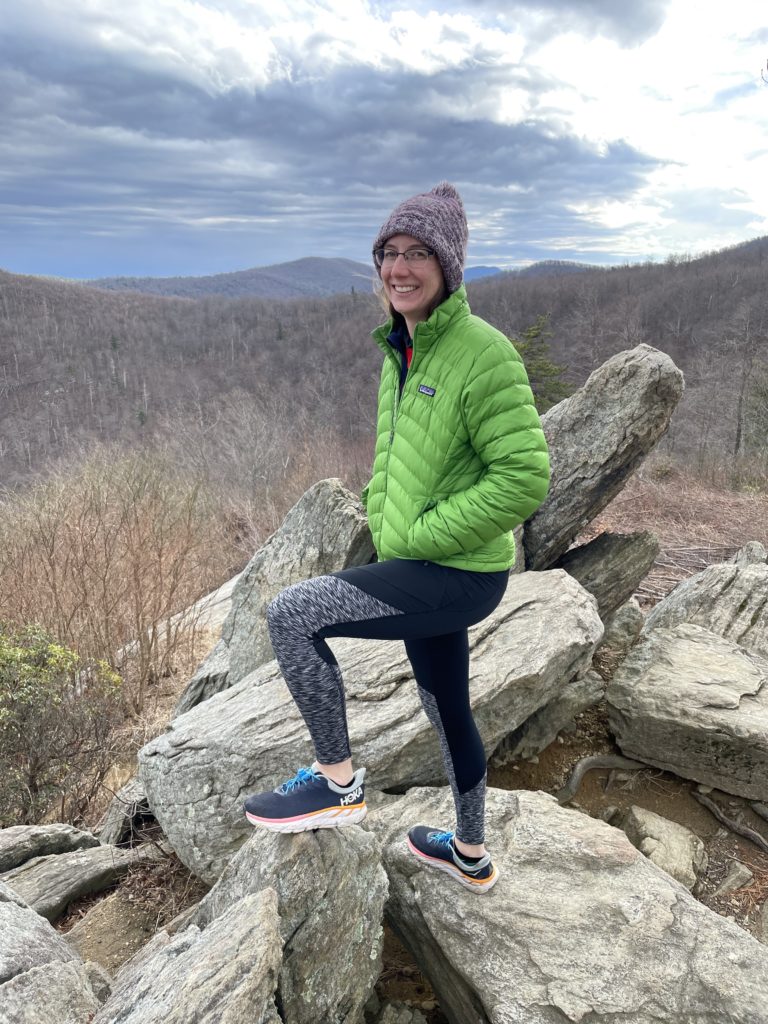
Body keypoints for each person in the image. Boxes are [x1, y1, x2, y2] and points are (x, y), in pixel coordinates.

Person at [244, 182, 549, 893]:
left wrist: (419, 531)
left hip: (458, 572)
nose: (399, 267)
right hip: (422, 563)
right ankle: (469, 851)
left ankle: (336, 780)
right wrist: (386, 514)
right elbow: (395, 460)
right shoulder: (401, 347)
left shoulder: (483, 352)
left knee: (291, 614)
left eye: (417, 253)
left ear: (449, 266)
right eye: (388, 253)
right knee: (445, 704)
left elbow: (525, 478)